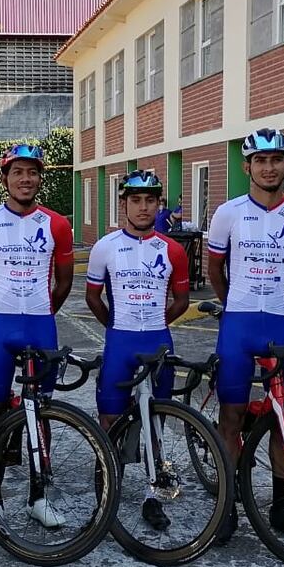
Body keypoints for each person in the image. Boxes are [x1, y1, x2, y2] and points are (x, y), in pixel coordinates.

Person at [206, 127, 284, 543]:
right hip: (238, 326)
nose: (269, 168)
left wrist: (279, 301)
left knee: (282, 420)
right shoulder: (228, 213)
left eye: (276, 160)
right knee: (231, 418)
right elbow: (215, 270)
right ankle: (226, 507)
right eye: (261, 161)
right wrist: (236, 303)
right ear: (247, 166)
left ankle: (280, 509)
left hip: (280, 323)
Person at [0, 142, 75, 529]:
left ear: (40, 178)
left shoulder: (57, 224)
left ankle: (38, 496)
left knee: (40, 411)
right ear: (4, 178)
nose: (25, 179)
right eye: (17, 172)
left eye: (32, 172)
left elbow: (64, 282)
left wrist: (44, 311)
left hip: (41, 324)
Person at [83, 169, 190, 531]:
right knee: (110, 419)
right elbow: (93, 297)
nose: (143, 207)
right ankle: (107, 488)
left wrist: (159, 321)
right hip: (120, 341)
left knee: (155, 420)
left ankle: (152, 495)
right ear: (123, 204)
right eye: (135, 200)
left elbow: (182, 300)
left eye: (150, 200)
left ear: (158, 204)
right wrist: (114, 326)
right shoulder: (105, 247)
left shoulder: (173, 249)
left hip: (157, 340)